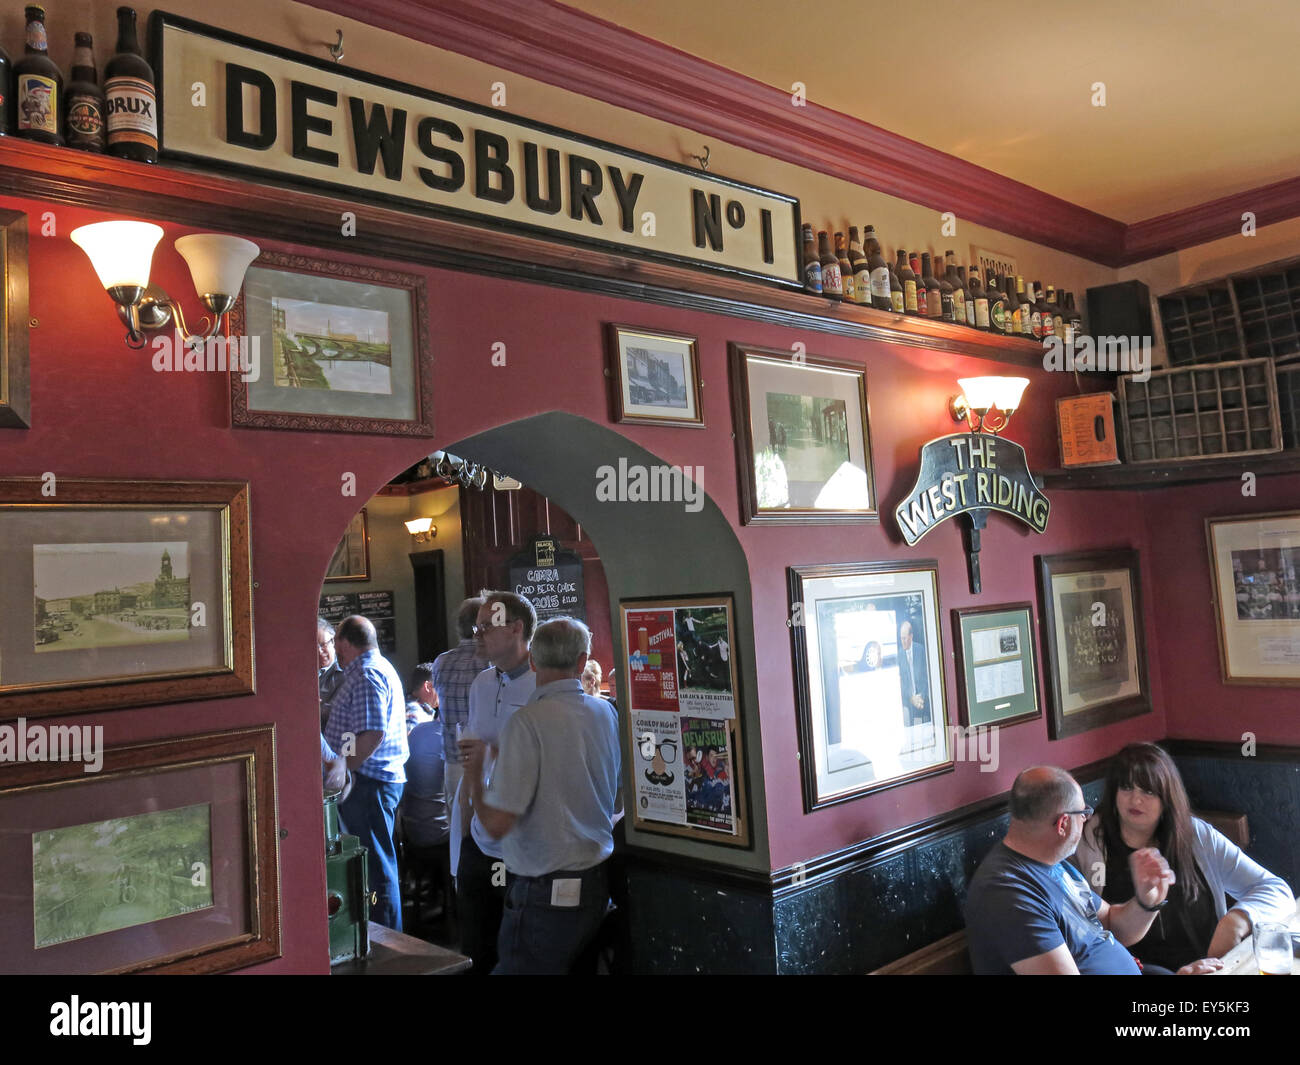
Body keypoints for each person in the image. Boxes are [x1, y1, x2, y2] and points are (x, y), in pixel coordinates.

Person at [469, 617, 621, 974]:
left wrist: (476, 776)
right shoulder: (605, 713)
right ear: (583, 662)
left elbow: (496, 825)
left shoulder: (527, 723)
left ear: (533, 662)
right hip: (598, 884)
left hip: (545, 894)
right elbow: (615, 802)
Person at [1074, 742, 1294, 973]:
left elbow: (1276, 889)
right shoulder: (1088, 845)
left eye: (1148, 791)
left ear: (1167, 797)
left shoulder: (1197, 836)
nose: (1135, 799)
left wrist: (1236, 920)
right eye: (1127, 788)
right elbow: (1084, 936)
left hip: (1210, 969)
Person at [964, 766, 1177, 974]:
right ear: (1063, 823)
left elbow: (1112, 923)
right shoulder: (1008, 894)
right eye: (1083, 812)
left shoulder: (1054, 863)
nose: (1087, 819)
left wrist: (1147, 900)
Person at [455, 591, 537, 975]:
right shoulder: (482, 684)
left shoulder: (543, 684)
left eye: (488, 626)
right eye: (478, 626)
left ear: (518, 628)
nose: (480, 634)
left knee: (520, 954)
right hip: (480, 836)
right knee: (476, 948)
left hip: (523, 842)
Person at [322, 615, 409, 930]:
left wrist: (344, 769)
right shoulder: (371, 670)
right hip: (371, 783)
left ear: (343, 643)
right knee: (374, 864)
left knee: (376, 867)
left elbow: (372, 733)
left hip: (369, 784)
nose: (334, 651)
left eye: (334, 644)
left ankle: (388, 941)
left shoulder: (366, 674)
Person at [430, 597, 489, 853]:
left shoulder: (442, 662)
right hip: (485, 760)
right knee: (484, 834)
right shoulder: (488, 663)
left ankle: (460, 883)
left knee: (458, 835)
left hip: (452, 760)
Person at [401, 669, 450, 849]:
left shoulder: (420, 717)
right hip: (429, 826)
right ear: (428, 686)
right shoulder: (415, 717)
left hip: (412, 820)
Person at [317, 617, 346, 727]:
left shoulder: (346, 672)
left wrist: (313, 707)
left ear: (334, 641)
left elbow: (338, 713)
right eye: (314, 647)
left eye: (323, 644)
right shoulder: (303, 673)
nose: (320, 651)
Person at [405, 661, 438, 732]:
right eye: (441, 685)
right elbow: (410, 742)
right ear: (428, 686)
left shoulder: (409, 708)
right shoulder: (414, 713)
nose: (444, 691)